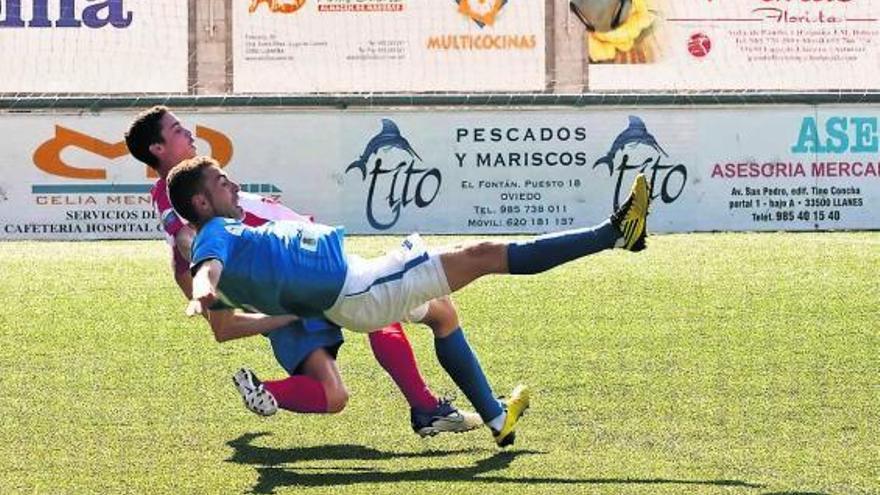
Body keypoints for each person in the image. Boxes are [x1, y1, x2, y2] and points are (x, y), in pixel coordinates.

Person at [167, 155, 651, 445]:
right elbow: (209, 270)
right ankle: (615, 233)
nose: (232, 184)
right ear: (203, 203)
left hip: (357, 284)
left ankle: (497, 418)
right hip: (362, 289)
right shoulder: (216, 233)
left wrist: (276, 308)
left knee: (442, 313)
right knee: (483, 255)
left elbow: (226, 325)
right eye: (221, 182)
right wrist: (205, 288)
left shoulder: (224, 229)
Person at [124, 106, 489, 439]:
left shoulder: (199, 180)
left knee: (335, 392)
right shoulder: (173, 196)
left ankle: (268, 390)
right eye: (176, 129)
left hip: (295, 271)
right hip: (298, 275)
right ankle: (428, 407)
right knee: (401, 312)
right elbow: (188, 244)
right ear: (158, 148)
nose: (187, 131)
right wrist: (211, 286)